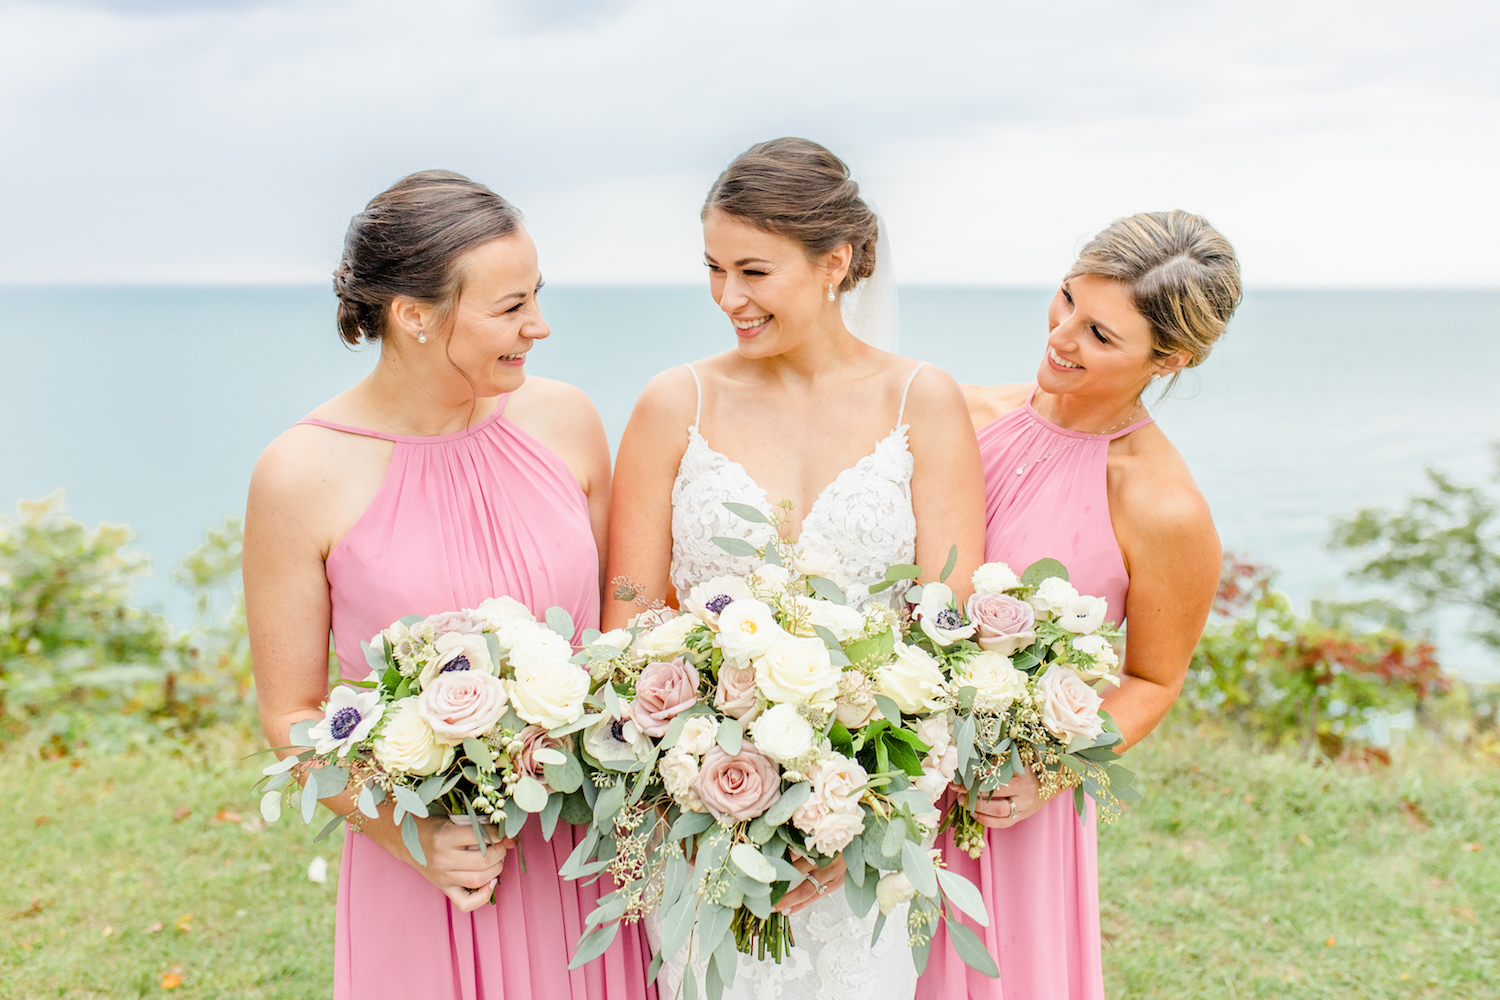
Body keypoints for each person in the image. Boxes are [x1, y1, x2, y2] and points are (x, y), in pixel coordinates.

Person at [243, 170, 654, 1000]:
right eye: (509, 307)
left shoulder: (565, 419)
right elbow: (291, 716)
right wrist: (410, 835)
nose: (539, 326)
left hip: (592, 846)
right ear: (414, 314)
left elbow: (627, 618)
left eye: (536, 295)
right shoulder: (301, 475)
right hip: (438, 866)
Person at [605, 137, 986, 999]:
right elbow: (627, 617)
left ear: (835, 263)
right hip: (705, 807)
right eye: (713, 268)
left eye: (753, 271)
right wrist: (703, 780)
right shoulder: (675, 402)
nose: (727, 298)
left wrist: (849, 814)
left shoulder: (921, 400)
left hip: (873, 806)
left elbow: (946, 635)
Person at [916, 210, 1241, 999]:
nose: (1061, 337)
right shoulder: (956, 409)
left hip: (1003, 802)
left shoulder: (1164, 507)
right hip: (878, 767)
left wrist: (1047, 773)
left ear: (1171, 358)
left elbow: (1154, 682)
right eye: (1065, 301)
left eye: (1101, 334)